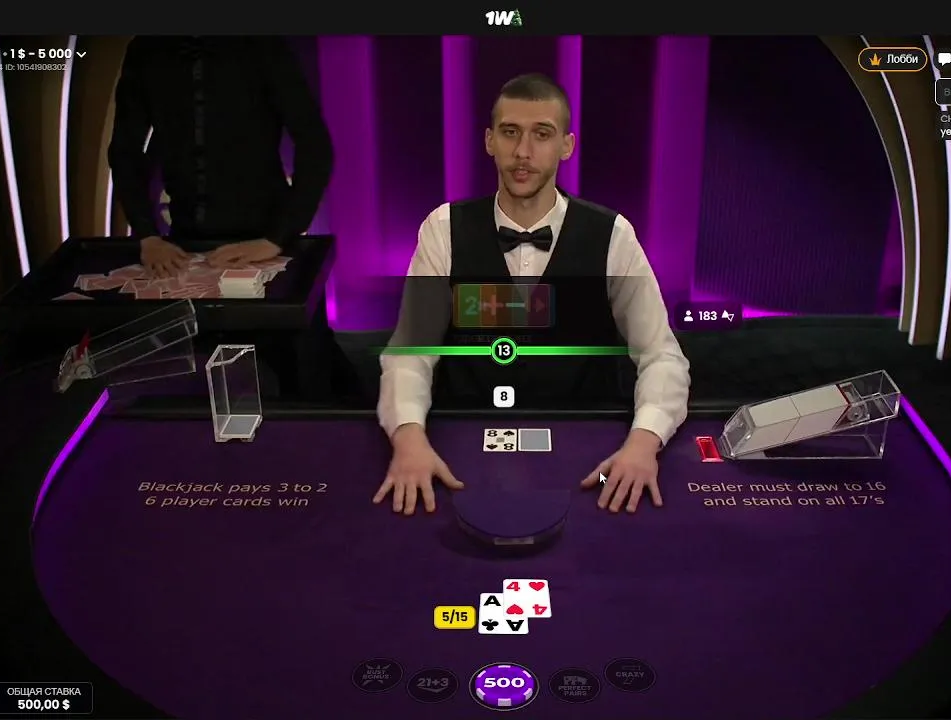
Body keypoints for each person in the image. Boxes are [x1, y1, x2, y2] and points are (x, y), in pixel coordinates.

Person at [374, 73, 690, 517]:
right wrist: (409, 440)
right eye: (510, 132)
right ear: (489, 141)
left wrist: (643, 443)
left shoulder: (613, 235)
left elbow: (661, 354)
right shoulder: (443, 229)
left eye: (542, 134)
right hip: (465, 440)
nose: (523, 152)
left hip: (588, 449)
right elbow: (411, 352)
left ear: (567, 145)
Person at [108, 36, 334, 275]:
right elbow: (125, 150)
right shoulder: (146, 49)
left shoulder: (262, 44)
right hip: (184, 243)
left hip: (265, 238)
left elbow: (314, 144)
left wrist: (277, 237)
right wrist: (148, 236)